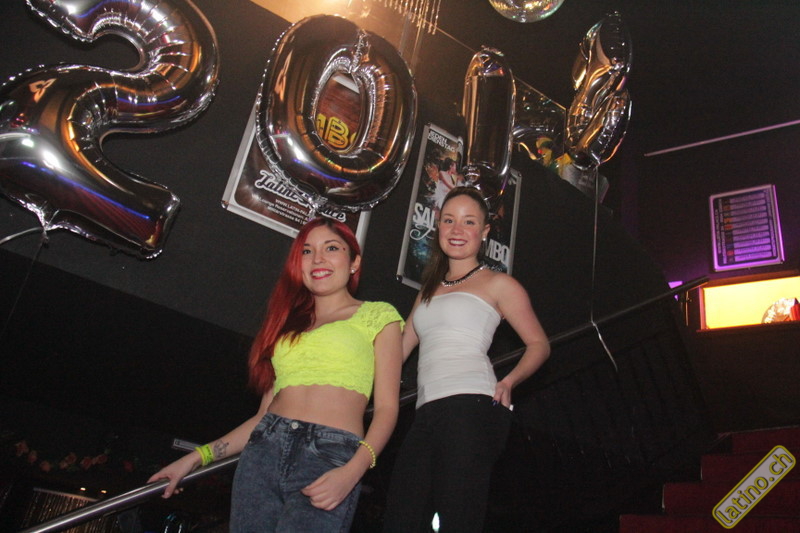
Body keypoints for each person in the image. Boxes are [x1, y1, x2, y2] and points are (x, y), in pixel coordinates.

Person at [148, 217, 403, 532]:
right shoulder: (287, 327)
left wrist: (353, 471)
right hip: (264, 452)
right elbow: (262, 417)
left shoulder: (379, 316)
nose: (318, 259)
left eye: (331, 248)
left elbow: (387, 408)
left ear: (354, 262)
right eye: (307, 251)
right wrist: (195, 458)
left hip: (330, 458)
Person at [382, 186, 550, 532]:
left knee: (458, 518)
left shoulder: (499, 284)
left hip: (471, 406)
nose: (457, 230)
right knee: (401, 516)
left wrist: (509, 381)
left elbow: (539, 345)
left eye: (468, 221)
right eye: (449, 220)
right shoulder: (427, 290)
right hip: (426, 411)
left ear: (484, 232)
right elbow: (399, 351)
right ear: (438, 225)